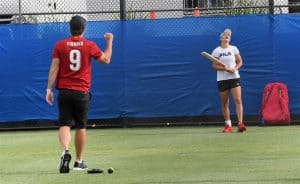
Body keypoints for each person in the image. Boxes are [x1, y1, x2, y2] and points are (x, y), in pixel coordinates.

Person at [45, 15, 113, 173]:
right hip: (81, 91)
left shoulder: (60, 45)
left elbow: (54, 68)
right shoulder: (89, 45)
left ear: (70, 28)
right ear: (84, 29)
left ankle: (64, 152)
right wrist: (109, 41)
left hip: (64, 91)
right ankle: (78, 161)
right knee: (81, 126)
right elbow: (106, 60)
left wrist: (49, 89)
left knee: (64, 124)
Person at [211, 28, 246, 133]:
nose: (227, 37)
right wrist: (225, 69)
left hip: (234, 77)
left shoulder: (234, 49)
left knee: (238, 100)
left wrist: (235, 68)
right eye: (225, 35)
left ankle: (240, 124)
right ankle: (228, 125)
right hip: (222, 79)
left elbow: (240, 62)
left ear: (229, 39)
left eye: (228, 36)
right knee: (225, 103)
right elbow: (215, 65)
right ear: (221, 38)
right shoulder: (216, 51)